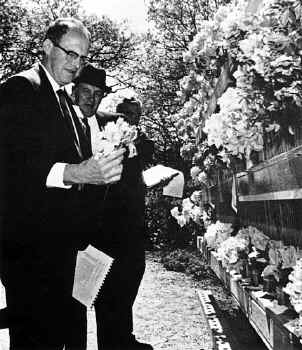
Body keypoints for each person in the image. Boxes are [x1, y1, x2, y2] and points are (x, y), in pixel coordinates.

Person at [0, 18, 125, 350]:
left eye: (82, 58)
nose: (75, 64)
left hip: (65, 254)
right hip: (30, 255)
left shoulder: (66, 103)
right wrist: (77, 173)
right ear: (46, 48)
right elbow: (13, 167)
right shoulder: (21, 88)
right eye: (70, 53)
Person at [71, 65, 154, 350]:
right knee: (75, 310)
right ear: (73, 92)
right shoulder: (60, 126)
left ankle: (118, 342)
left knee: (116, 301)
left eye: (97, 94)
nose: (90, 100)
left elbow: (140, 156)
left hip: (120, 230)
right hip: (78, 234)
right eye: (85, 92)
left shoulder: (116, 123)